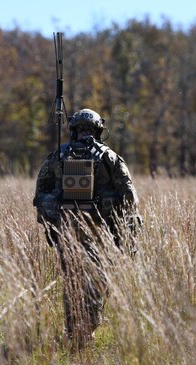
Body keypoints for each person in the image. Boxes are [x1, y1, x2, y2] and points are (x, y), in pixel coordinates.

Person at [33, 108, 139, 346]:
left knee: (72, 280)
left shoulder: (57, 156)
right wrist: (125, 229)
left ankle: (73, 332)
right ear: (98, 130)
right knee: (98, 280)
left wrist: (52, 226)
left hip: (67, 231)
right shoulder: (109, 157)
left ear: (73, 130)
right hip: (99, 230)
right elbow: (130, 196)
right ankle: (88, 330)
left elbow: (40, 194)